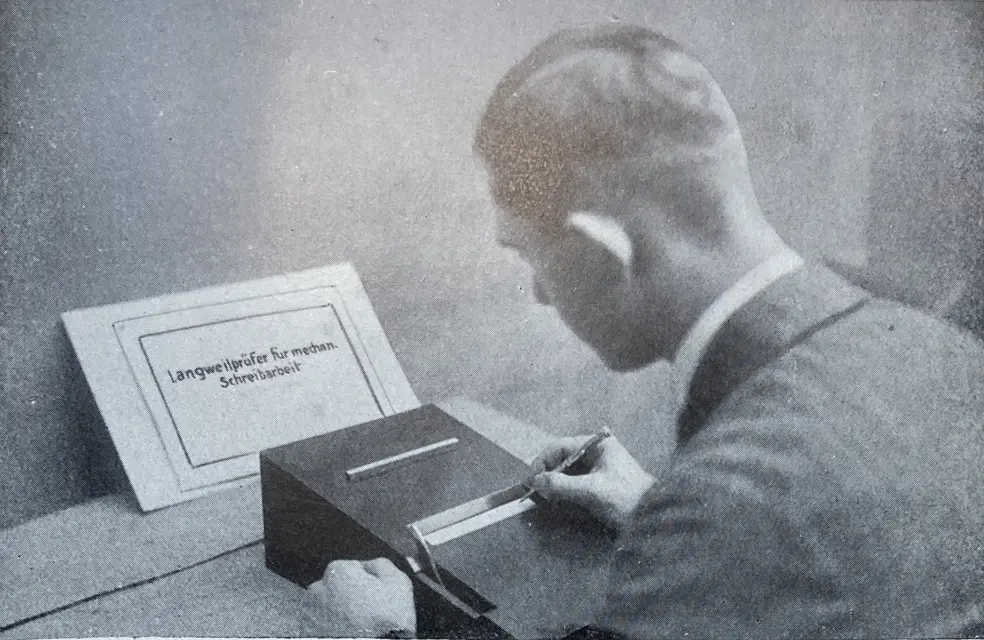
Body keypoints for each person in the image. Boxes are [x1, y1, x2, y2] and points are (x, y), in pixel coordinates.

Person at [301, 25, 984, 638]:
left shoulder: (724, 507)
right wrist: (662, 515)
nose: (540, 294)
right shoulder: (946, 353)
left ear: (602, 252)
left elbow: (768, 521)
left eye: (529, 256)